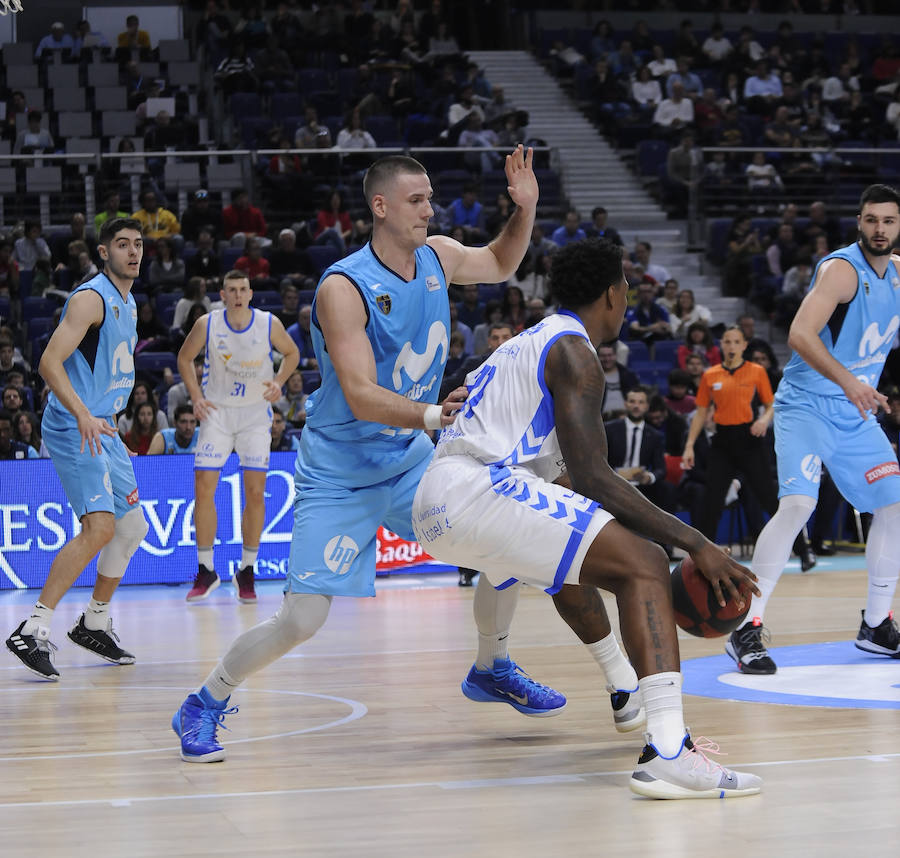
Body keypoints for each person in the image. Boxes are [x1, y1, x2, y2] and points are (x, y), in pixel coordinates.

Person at [172, 147, 593, 763]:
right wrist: (433, 415)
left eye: (430, 198)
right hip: (340, 471)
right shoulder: (343, 286)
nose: (430, 208)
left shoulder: (438, 256)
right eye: (417, 200)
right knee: (301, 621)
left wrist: (524, 209)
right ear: (382, 206)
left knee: (500, 545)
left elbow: (502, 263)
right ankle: (204, 702)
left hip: (408, 461)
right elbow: (364, 396)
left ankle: (491, 665)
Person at [412, 238, 762, 799]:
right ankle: (669, 751)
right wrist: (697, 543)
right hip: (477, 488)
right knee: (645, 563)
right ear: (612, 293)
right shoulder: (576, 352)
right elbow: (596, 477)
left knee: (576, 559)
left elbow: (574, 487)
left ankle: (626, 690)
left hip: (442, 502)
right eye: (625, 286)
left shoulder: (526, 344)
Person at [729, 185, 900, 675]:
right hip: (807, 406)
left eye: (888, 221)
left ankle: (876, 625)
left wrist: (864, 388)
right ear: (859, 222)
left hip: (854, 411)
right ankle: (747, 626)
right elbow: (799, 335)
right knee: (798, 505)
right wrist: (851, 382)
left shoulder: (898, 277)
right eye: (871, 220)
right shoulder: (842, 271)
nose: (879, 229)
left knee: (893, 504)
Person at [4, 219, 149, 680]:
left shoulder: (129, 303)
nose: (133, 252)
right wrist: (84, 413)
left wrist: (100, 415)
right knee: (100, 528)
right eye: (122, 245)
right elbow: (48, 362)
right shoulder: (91, 298)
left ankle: (94, 621)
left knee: (132, 528)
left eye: (138, 245)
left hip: (103, 427)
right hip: (74, 425)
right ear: (103, 252)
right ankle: (34, 626)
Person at [177, 270, 300, 605]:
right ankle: (206, 569)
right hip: (217, 413)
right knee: (203, 487)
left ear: (250, 293)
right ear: (222, 294)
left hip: (254, 416)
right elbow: (184, 358)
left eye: (242, 289)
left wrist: (280, 381)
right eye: (230, 290)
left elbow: (292, 354)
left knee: (256, 492)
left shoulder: (268, 323)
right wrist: (195, 396)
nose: (237, 295)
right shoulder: (207, 323)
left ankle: (247, 569)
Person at [681, 326, 815, 567]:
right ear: (721, 345)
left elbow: (771, 403)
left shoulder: (756, 371)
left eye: (736, 342)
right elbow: (701, 413)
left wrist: (763, 420)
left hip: (750, 440)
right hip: (722, 442)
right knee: (711, 502)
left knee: (769, 500)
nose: (731, 346)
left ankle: (804, 551)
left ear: (744, 345)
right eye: (727, 342)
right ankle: (699, 560)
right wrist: (689, 445)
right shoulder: (710, 375)